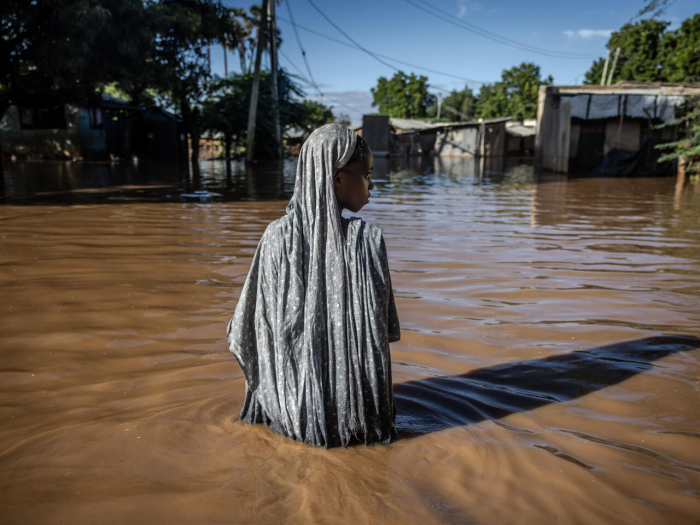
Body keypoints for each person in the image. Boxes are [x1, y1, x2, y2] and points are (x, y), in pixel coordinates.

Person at [226, 123, 400, 448]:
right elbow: (382, 333)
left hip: (289, 415)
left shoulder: (275, 238)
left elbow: (246, 330)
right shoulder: (367, 238)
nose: (373, 184)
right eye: (366, 174)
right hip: (359, 420)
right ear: (336, 178)